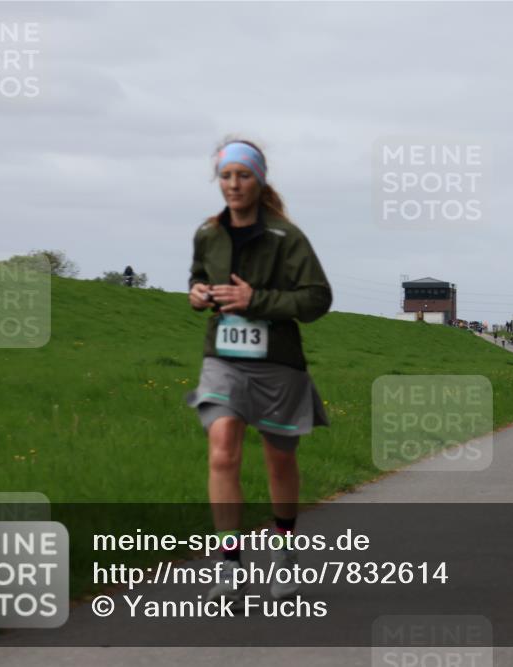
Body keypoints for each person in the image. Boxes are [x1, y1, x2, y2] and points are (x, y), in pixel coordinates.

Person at [186, 138, 332, 604]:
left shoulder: (286, 238)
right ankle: (229, 565)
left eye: (243, 175)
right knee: (222, 450)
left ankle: (285, 555)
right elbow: (196, 275)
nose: (234, 184)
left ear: (260, 179)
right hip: (223, 359)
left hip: (277, 363)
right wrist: (197, 294)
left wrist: (257, 302)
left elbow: (317, 298)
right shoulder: (208, 234)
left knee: (279, 459)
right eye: (226, 176)